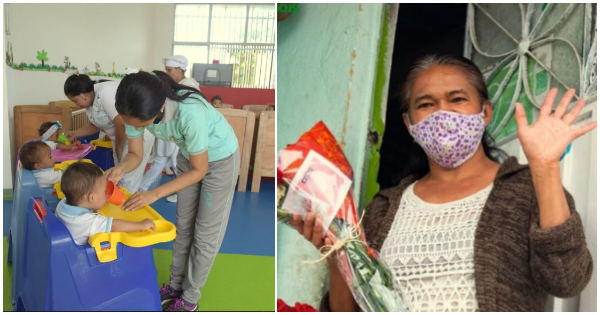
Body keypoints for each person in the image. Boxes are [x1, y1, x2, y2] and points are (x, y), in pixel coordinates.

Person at [290, 55, 595, 312]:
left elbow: (566, 280)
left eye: (457, 99)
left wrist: (545, 167)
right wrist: (336, 254)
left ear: (485, 111)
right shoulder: (383, 208)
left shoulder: (527, 191)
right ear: (410, 123)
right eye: (426, 104)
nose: (443, 113)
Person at [105, 70, 240, 311]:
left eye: (142, 125)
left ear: (158, 109)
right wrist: (121, 168)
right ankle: (176, 285)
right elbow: (135, 154)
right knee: (184, 226)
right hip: (189, 157)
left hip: (220, 160)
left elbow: (200, 170)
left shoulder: (190, 112)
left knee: (205, 235)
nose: (136, 128)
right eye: (132, 125)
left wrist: (154, 193)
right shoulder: (133, 110)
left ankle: (190, 298)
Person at [63, 74, 155, 192]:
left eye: (75, 100)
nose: (76, 104)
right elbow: (96, 124)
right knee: (118, 176)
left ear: (83, 94)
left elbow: (120, 123)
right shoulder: (90, 103)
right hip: (121, 137)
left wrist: (118, 147)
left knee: (128, 178)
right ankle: (121, 203)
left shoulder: (105, 93)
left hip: (136, 134)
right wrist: (75, 133)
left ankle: (127, 205)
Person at [55, 162, 155, 246]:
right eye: (104, 191)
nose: (106, 192)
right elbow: (114, 225)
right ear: (92, 197)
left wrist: (105, 196)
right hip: (81, 257)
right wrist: (141, 225)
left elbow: (92, 202)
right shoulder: (87, 221)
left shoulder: (63, 204)